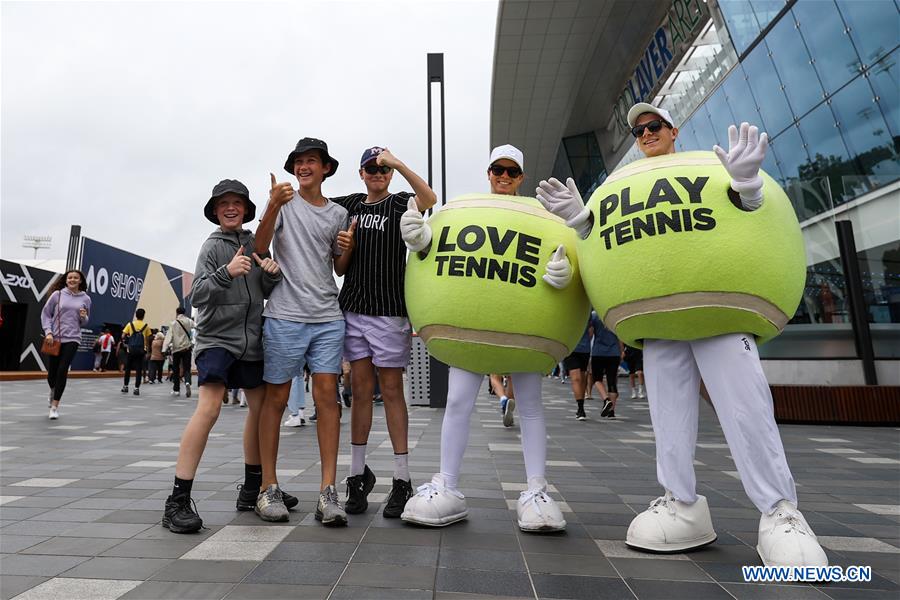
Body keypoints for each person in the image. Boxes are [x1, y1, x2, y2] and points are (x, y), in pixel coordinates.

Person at [536, 103, 827, 566]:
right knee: (667, 415)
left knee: (746, 408)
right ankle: (681, 503)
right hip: (658, 324)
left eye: (654, 126)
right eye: (638, 129)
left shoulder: (709, 168)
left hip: (719, 314)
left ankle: (780, 512)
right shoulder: (622, 187)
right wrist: (581, 224)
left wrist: (748, 184)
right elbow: (607, 245)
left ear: (674, 130)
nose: (645, 133)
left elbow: (747, 211)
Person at [400, 144, 572, 532]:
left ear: (522, 177)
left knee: (530, 405)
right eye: (498, 169)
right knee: (459, 401)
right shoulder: (465, 212)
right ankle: (447, 483)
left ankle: (537, 490)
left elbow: (567, 254)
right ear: (488, 172)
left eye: (512, 171)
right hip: (470, 326)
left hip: (527, 327)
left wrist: (566, 272)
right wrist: (421, 243)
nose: (504, 177)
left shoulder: (542, 216)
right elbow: (440, 254)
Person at [163, 179, 298, 533]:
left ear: (246, 209)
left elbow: (263, 289)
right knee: (209, 408)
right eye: (224, 203)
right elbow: (197, 297)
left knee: (261, 406)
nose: (231, 207)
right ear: (215, 211)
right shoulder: (211, 247)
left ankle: (254, 489)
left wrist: (271, 275)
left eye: (237, 202)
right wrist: (226, 272)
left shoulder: (255, 244)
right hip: (216, 340)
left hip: (251, 341)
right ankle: (177, 500)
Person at [330, 146, 437, 518]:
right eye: (371, 169)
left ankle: (402, 478)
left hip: (389, 311)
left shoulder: (400, 203)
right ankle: (356, 475)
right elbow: (318, 209)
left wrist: (399, 164)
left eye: (382, 169)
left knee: (391, 390)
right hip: (354, 308)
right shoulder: (350, 205)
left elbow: (429, 198)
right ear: (361, 173)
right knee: (359, 391)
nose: (377, 174)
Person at [254, 137, 353, 525]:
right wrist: (273, 204)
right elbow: (260, 246)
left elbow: (340, 267)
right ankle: (268, 487)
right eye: (299, 161)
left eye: (311, 161)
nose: (303, 166)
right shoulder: (283, 202)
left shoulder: (338, 214)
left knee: (327, 397)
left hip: (328, 316)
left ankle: (328, 491)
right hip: (284, 315)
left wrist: (348, 245)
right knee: (275, 399)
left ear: (326, 168)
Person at [41, 269, 91, 420]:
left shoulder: (86, 299)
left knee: (63, 369)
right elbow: (46, 314)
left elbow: (84, 322)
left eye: (76, 278)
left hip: (73, 338)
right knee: (52, 374)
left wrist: (84, 317)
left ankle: (55, 407)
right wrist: (48, 332)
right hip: (55, 338)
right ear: (66, 280)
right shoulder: (58, 295)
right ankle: (53, 390)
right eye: (70, 278)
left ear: (80, 281)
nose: (72, 280)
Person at [590, 312, 622, 418]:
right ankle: (612, 412)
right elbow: (620, 336)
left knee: (597, 379)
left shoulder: (595, 315)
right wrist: (621, 351)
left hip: (598, 352)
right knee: (612, 381)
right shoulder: (616, 314)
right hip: (614, 352)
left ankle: (606, 399)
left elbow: (590, 333)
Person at [163, 306, 196, 398]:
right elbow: (197, 326)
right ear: (184, 312)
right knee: (187, 368)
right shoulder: (189, 321)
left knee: (176, 369)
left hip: (176, 349)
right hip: (187, 348)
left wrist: (164, 349)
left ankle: (176, 390)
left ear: (177, 313)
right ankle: (187, 382)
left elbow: (169, 337)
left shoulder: (173, 323)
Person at [563, 319, 591, 421]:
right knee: (576, 378)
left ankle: (581, 405)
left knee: (583, 378)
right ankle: (580, 408)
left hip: (584, 349)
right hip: (570, 349)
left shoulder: (588, 312)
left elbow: (590, 330)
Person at [121, 308, 152, 395]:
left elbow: (123, 335)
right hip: (141, 351)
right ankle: (136, 388)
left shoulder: (130, 324)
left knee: (128, 369)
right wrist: (148, 351)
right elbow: (148, 339)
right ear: (143, 316)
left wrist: (127, 341)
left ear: (136, 315)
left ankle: (125, 386)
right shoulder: (146, 326)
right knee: (139, 369)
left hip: (130, 350)